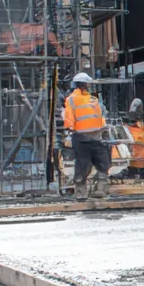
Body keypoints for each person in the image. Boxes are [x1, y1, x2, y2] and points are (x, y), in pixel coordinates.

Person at [63, 72, 110, 200]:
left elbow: (99, 116)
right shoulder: (72, 99)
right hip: (81, 136)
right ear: (83, 84)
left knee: (102, 162)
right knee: (83, 164)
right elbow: (69, 117)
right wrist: (69, 130)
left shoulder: (93, 99)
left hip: (95, 136)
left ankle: (100, 189)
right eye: (87, 83)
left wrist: (104, 130)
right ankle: (81, 191)